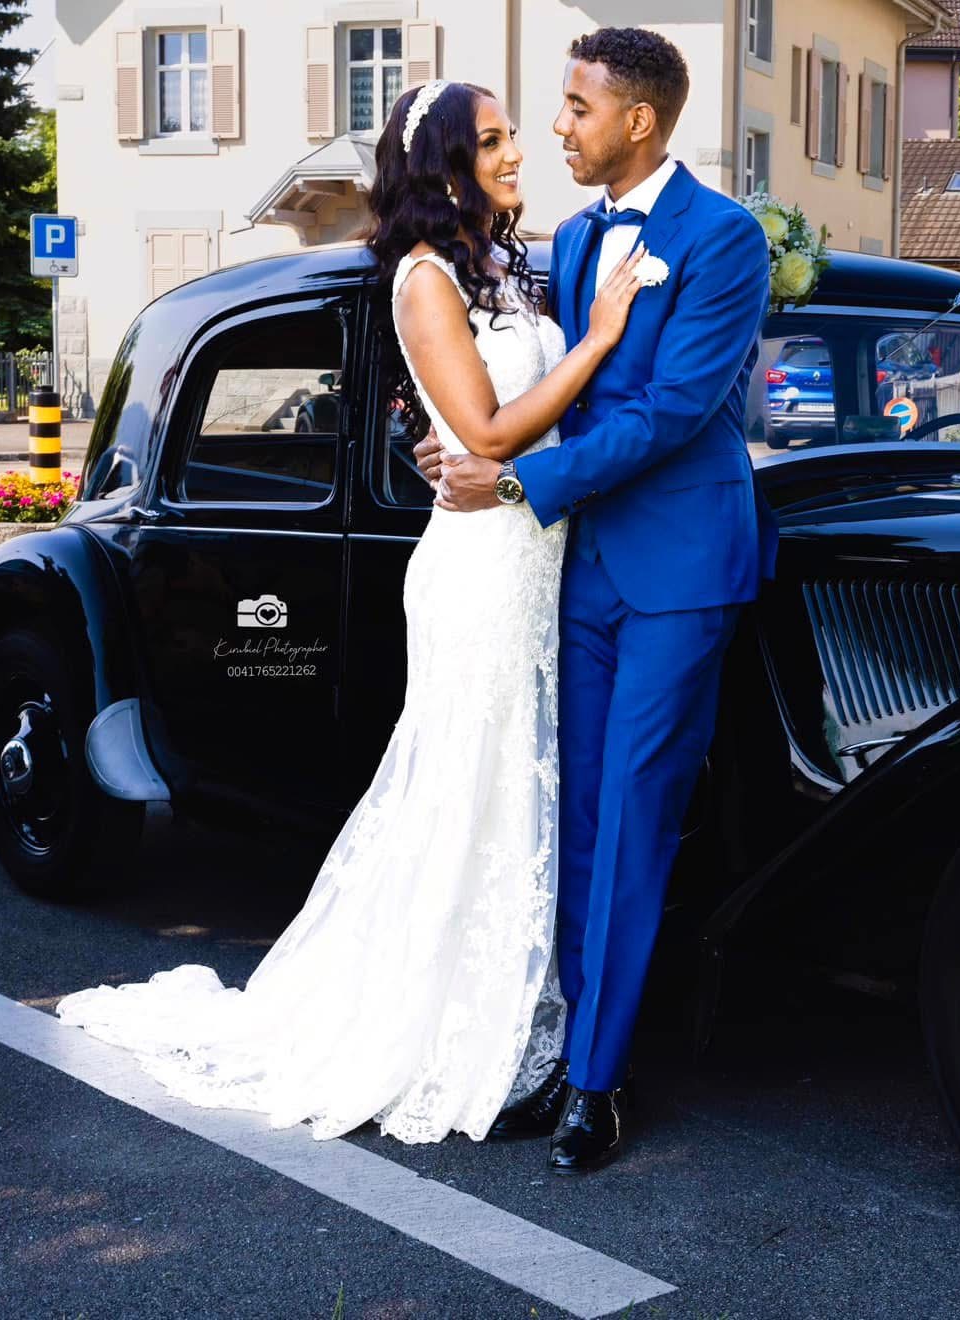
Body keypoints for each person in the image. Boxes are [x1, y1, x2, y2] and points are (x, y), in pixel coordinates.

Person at [55, 80, 648, 1146]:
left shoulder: (502, 269)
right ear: (447, 164)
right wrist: (598, 339)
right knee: (474, 788)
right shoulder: (423, 277)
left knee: (523, 789)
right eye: (497, 140)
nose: (518, 153)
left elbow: (468, 431)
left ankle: (522, 1018)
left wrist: (464, 430)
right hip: (477, 569)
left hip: (533, 556)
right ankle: (469, 1033)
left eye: (516, 136)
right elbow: (487, 427)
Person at [418, 27, 771, 1172]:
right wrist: (442, 443)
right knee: (571, 815)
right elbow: (536, 384)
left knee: (631, 818)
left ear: (639, 121)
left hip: (678, 573)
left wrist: (516, 480)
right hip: (577, 570)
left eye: (574, 107)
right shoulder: (570, 242)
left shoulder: (723, 242)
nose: (556, 127)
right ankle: (569, 1042)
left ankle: (597, 1082)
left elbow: (673, 413)